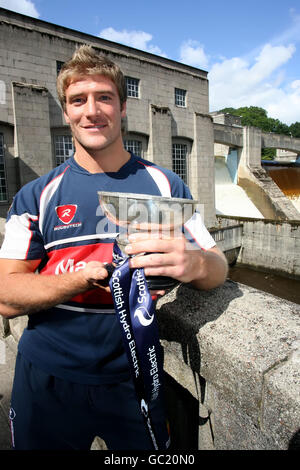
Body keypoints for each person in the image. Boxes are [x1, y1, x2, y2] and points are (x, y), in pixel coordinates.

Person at [0, 45, 228, 450]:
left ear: (123, 108)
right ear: (66, 111)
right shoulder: (36, 195)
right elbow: (5, 294)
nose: (91, 111)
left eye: (104, 97)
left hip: (136, 379)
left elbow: (218, 267)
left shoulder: (167, 187)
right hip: (47, 380)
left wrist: (193, 264)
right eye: (77, 100)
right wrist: (80, 279)